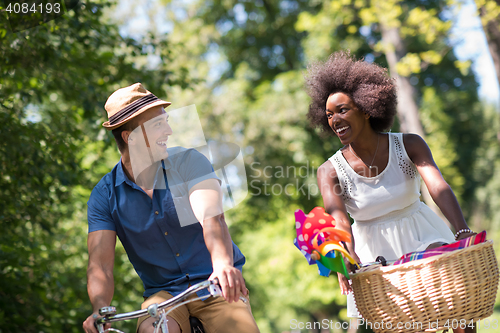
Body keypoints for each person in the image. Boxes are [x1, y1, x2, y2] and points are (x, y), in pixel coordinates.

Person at [305, 52, 476, 333]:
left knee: (457, 306)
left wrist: (462, 230)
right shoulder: (329, 171)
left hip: (423, 233)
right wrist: (345, 259)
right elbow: (339, 220)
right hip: (374, 253)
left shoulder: (408, 144)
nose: (335, 119)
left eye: (342, 110)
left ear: (366, 108)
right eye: (329, 115)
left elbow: (437, 186)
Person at [82, 83, 260, 333]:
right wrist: (101, 309)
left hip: (214, 283)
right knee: (152, 331)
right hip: (162, 297)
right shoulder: (104, 195)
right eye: (158, 124)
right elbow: (100, 266)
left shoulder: (189, 163)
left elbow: (211, 218)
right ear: (130, 137)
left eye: (166, 121)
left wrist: (222, 264)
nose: (169, 130)